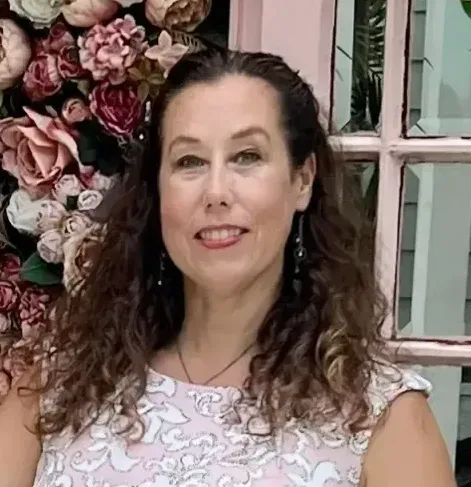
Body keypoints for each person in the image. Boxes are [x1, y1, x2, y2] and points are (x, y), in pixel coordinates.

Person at [0, 49, 455, 487]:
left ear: (302, 180)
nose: (216, 191)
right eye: (190, 161)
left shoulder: (380, 418)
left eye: (247, 157)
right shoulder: (58, 386)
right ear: (157, 191)